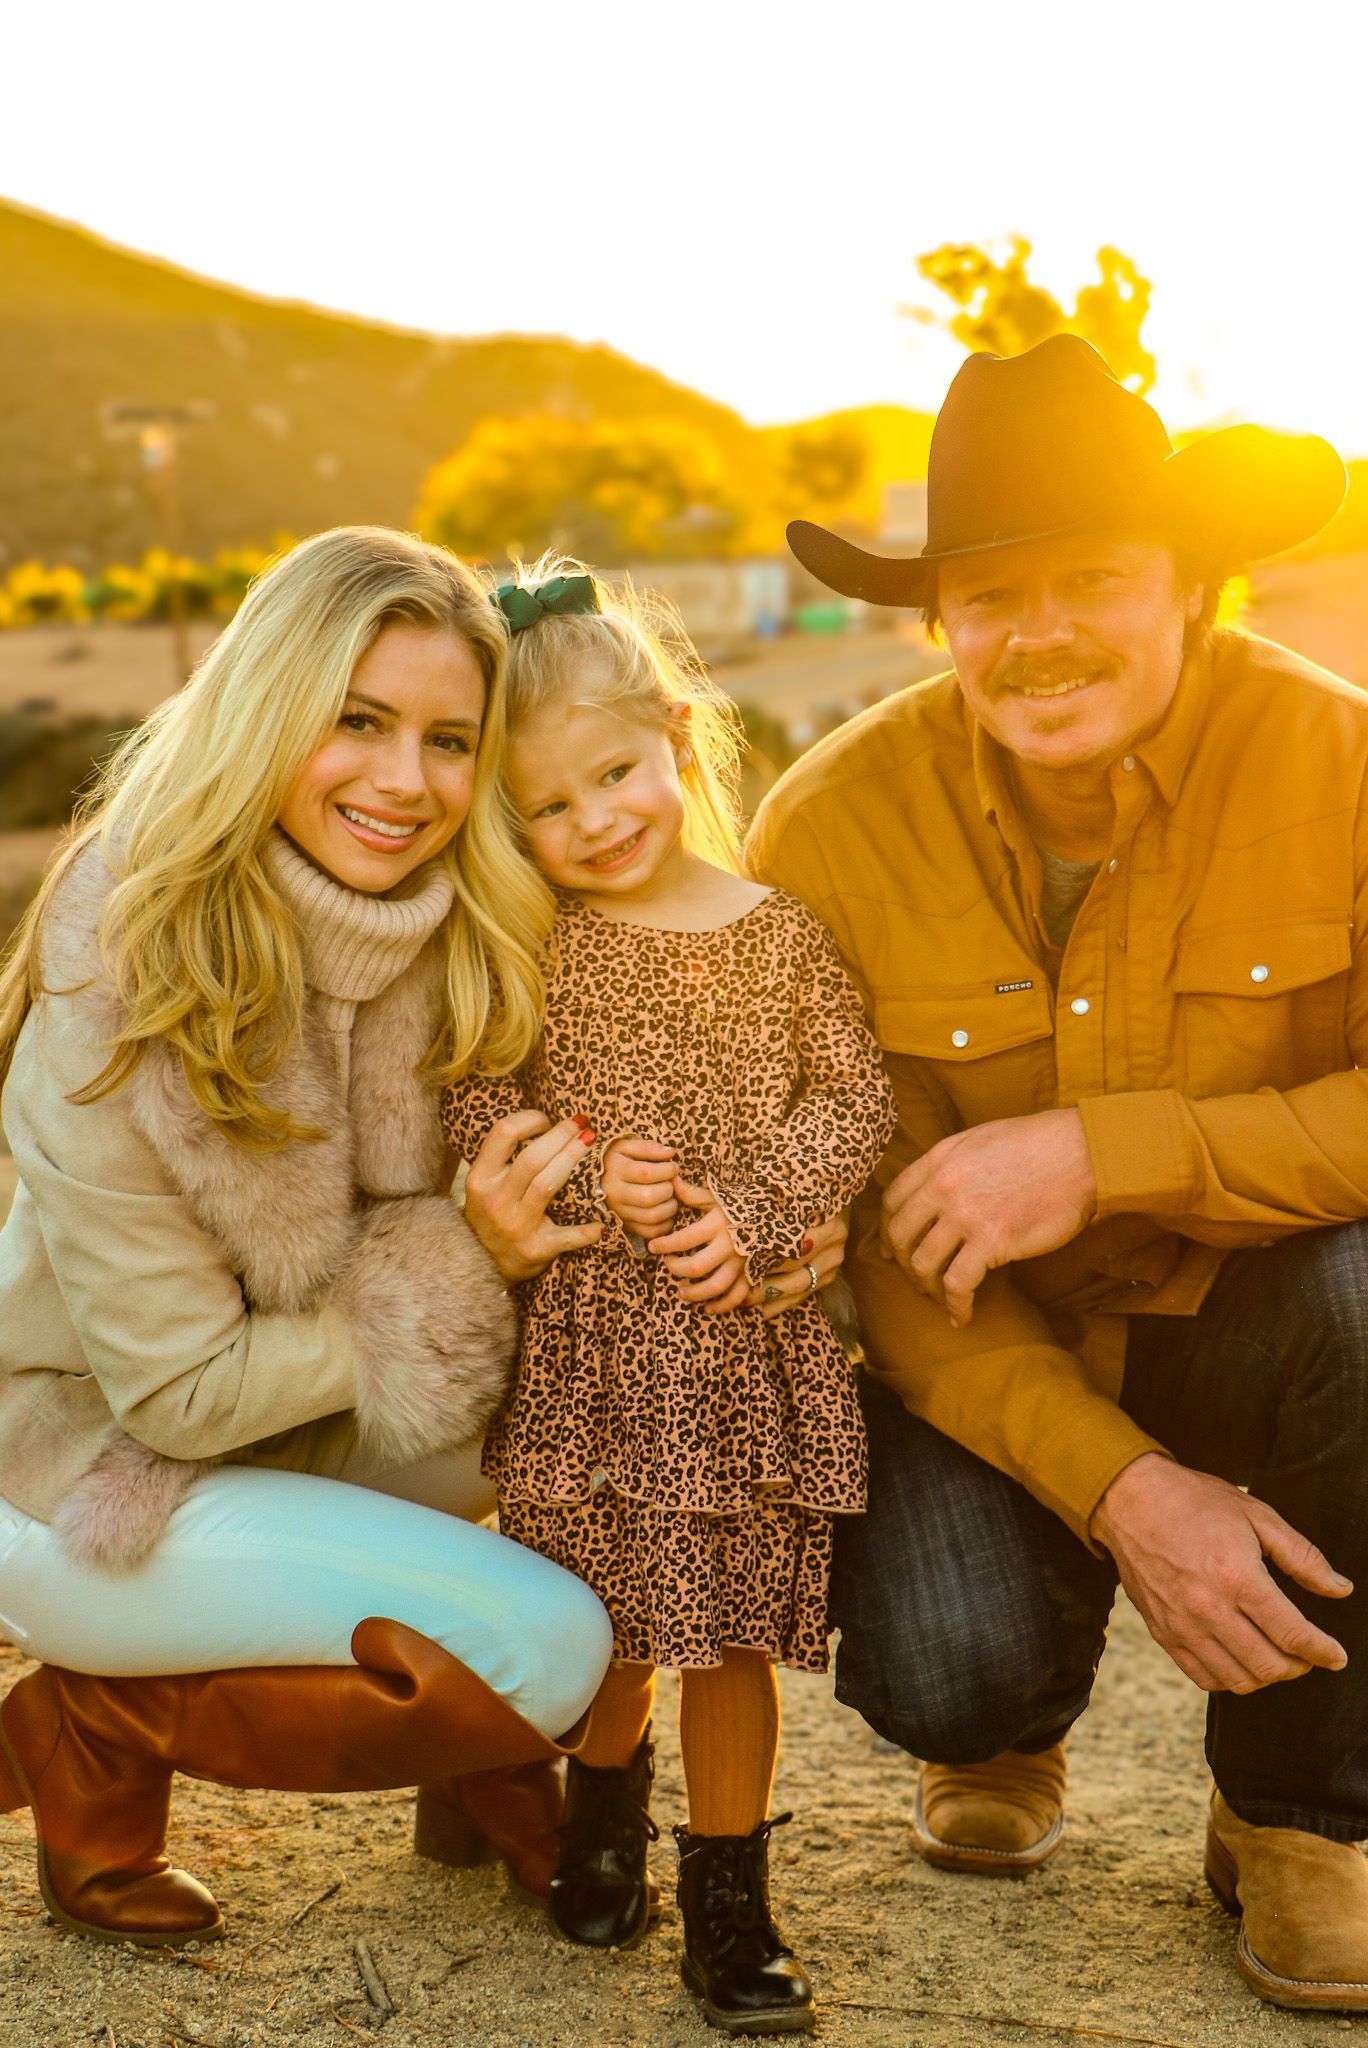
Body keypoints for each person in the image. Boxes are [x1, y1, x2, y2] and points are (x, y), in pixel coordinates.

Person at [747, 336, 1368, 2015]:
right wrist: (1124, 1490)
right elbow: (858, 1243)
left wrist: (1109, 1150)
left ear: (1195, 589)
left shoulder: (1346, 769)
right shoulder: (823, 833)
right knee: (948, 1672)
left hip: (1272, 1330)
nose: (1039, 636)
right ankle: (1016, 1719)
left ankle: (1302, 1812)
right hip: (987, 1363)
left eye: (1090, 577)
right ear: (939, 619)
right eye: (989, 594)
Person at [0, 526, 626, 1950]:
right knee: (550, 1646)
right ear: (268, 708)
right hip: (91, 1474)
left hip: (315, 1430)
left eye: (450, 740)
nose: (406, 782)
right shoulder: (122, 967)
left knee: (633, 1463)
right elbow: (177, 1394)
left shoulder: (466, 931)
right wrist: (468, 1263)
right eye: (358, 722)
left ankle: (476, 1786)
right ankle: (85, 1730)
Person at [440, 563, 895, 2036]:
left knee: (735, 1634)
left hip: (733, 1350)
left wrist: (753, 1213)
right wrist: (584, 1180)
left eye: (616, 775)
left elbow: (852, 1100)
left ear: (680, 743)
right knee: (612, 1624)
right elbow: (476, 1117)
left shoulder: (779, 932)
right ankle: (602, 1815)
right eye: (548, 810)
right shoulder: (535, 948)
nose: (595, 823)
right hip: (593, 1358)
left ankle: (732, 1894)